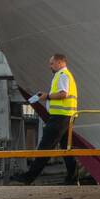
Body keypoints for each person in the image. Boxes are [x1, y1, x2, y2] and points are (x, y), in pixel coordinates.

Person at [19, 53, 79, 185]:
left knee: (45, 146)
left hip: (59, 118)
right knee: (66, 148)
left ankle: (28, 177)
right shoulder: (65, 75)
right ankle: (72, 178)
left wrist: (47, 96)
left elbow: (63, 94)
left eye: (51, 63)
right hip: (66, 117)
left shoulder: (62, 75)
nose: (49, 66)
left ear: (59, 63)